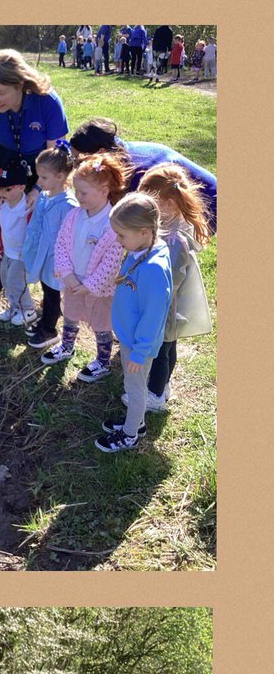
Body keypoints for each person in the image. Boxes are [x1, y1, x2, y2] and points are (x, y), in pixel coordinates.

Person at [0, 51, 69, 305]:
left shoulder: (47, 102)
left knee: (43, 228)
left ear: (19, 84)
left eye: (1, 92)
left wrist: (38, 188)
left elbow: (56, 152)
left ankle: (50, 299)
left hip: (43, 165)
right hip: (6, 166)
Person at [94, 192, 172, 454]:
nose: (118, 240)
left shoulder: (153, 268)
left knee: (135, 389)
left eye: (121, 235)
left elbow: (153, 316)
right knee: (133, 385)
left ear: (143, 231)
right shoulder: (140, 250)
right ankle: (135, 423)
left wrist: (139, 352)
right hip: (130, 337)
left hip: (138, 343)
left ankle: (130, 436)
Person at [42, 152, 129, 383]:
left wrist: (90, 285)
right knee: (70, 314)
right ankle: (67, 346)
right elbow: (61, 244)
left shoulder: (112, 223)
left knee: (101, 323)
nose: (78, 197)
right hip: (73, 280)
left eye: (83, 193)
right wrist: (67, 274)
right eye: (76, 191)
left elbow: (111, 262)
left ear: (104, 191)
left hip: (99, 288)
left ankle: (103, 361)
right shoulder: (74, 216)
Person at [136, 163, 212, 412]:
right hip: (170, 305)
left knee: (160, 351)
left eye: (151, 202)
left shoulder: (175, 240)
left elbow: (170, 280)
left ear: (168, 204)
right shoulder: (171, 225)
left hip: (166, 306)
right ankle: (163, 385)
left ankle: (155, 395)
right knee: (168, 347)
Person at [22, 143, 78, 350]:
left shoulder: (68, 205)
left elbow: (70, 238)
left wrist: (65, 264)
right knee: (46, 289)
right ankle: (46, 319)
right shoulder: (46, 196)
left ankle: (50, 330)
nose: (39, 181)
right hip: (44, 253)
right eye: (39, 176)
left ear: (61, 176)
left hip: (57, 259)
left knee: (53, 292)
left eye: (44, 178)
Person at [0, 156, 36, 326]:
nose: (2, 193)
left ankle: (28, 310)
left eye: (8, 189)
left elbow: (35, 232)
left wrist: (30, 252)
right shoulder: (1, 203)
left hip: (21, 254)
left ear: (22, 187)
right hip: (6, 251)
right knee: (6, 281)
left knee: (17, 283)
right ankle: (15, 307)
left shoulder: (28, 207)